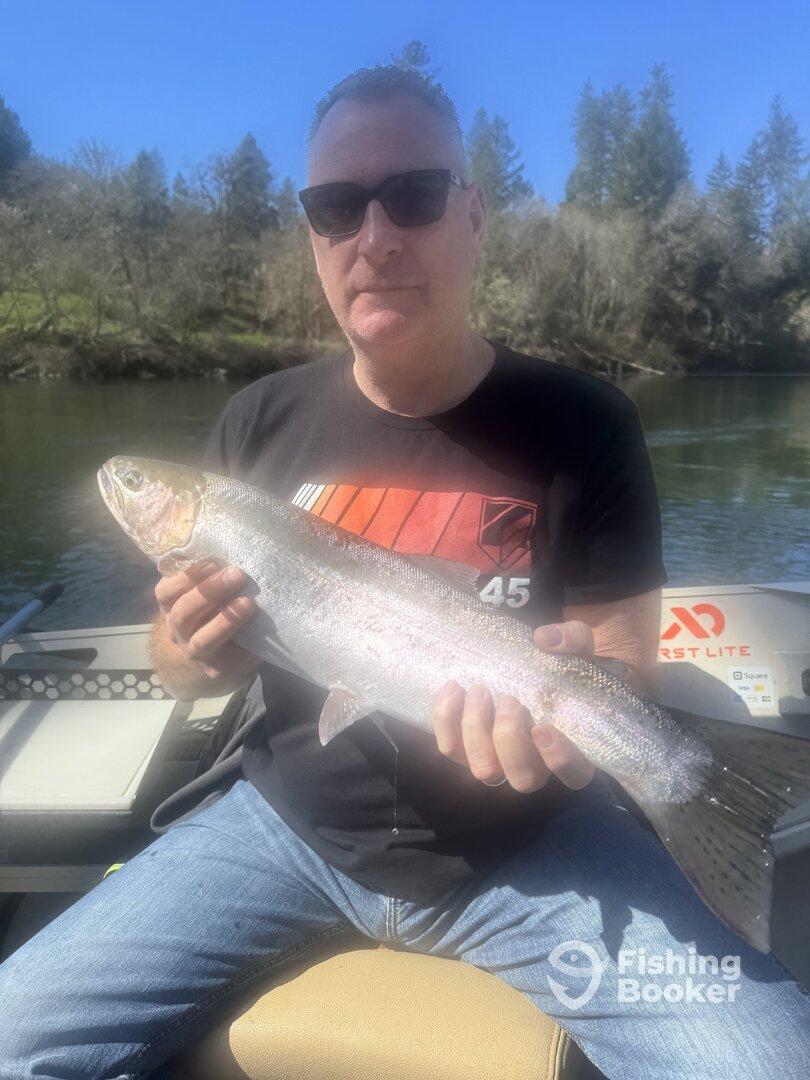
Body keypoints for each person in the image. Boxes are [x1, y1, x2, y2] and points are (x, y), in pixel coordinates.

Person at [1, 65, 808, 1080]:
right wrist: (188, 645)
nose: (373, 238)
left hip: (536, 843)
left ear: (472, 213)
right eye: (336, 206)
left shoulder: (585, 424)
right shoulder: (257, 422)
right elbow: (181, 672)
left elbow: (624, 671)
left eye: (414, 197)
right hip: (280, 828)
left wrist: (565, 742)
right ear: (312, 236)